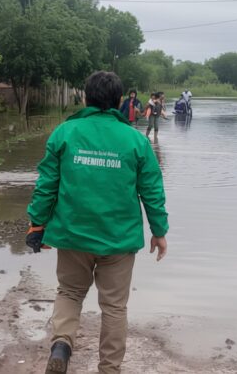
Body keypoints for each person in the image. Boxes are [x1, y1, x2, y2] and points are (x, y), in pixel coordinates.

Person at [26, 71, 168, 374]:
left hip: (72, 234)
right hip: (119, 239)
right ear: (118, 101)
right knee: (114, 307)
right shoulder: (135, 140)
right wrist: (159, 231)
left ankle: (62, 344)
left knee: (70, 292)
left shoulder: (65, 132)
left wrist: (37, 224)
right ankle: (109, 369)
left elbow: (46, 184)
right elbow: (152, 190)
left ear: (85, 98)